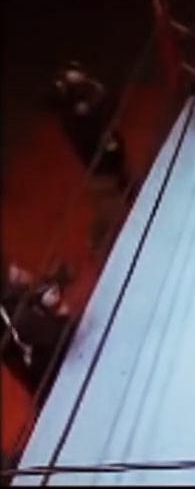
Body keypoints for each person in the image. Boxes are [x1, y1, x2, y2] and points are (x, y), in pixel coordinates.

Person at [49, 61, 133, 253]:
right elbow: (91, 134)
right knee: (109, 211)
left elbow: (112, 104)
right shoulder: (72, 120)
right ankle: (98, 244)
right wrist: (91, 108)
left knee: (124, 188)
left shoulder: (92, 99)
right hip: (100, 168)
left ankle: (102, 236)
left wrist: (96, 91)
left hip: (113, 157)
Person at [0, 260, 74, 402]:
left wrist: (41, 301)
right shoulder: (8, 312)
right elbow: (51, 335)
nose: (16, 269)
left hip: (53, 363)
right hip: (54, 378)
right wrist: (61, 315)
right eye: (13, 269)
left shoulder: (11, 300)